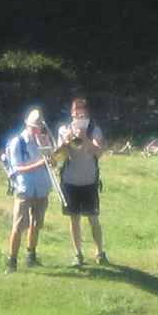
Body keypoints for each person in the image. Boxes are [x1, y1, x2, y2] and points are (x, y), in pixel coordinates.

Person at [53, 96, 111, 267]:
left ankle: (100, 252)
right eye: (76, 115)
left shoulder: (95, 130)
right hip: (70, 181)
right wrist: (65, 142)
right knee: (74, 219)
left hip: (89, 181)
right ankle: (78, 254)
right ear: (71, 114)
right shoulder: (64, 129)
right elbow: (58, 157)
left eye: (82, 115)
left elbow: (98, 153)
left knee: (93, 219)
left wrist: (84, 138)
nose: (79, 118)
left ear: (87, 115)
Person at [0, 105, 54, 269]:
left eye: (39, 127)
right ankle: (12, 261)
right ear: (27, 125)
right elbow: (17, 168)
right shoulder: (18, 142)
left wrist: (52, 159)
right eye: (34, 127)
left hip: (42, 188)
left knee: (36, 223)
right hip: (24, 189)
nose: (37, 130)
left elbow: (51, 163)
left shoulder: (44, 140)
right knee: (18, 226)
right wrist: (40, 163)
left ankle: (31, 255)